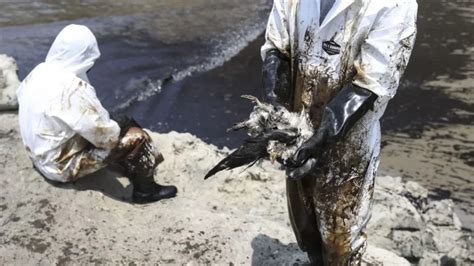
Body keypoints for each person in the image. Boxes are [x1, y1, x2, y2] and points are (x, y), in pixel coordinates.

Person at [261, 0, 417, 264]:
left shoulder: (395, 4)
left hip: (350, 146)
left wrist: (322, 137)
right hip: (297, 132)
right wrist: (279, 112)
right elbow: (277, 49)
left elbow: (372, 84)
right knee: (305, 227)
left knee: (340, 240)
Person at [17, 24, 177, 204]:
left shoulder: (39, 71)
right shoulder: (74, 89)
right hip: (59, 168)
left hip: (39, 154)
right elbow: (107, 138)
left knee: (111, 123)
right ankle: (146, 191)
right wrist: (124, 126)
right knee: (137, 137)